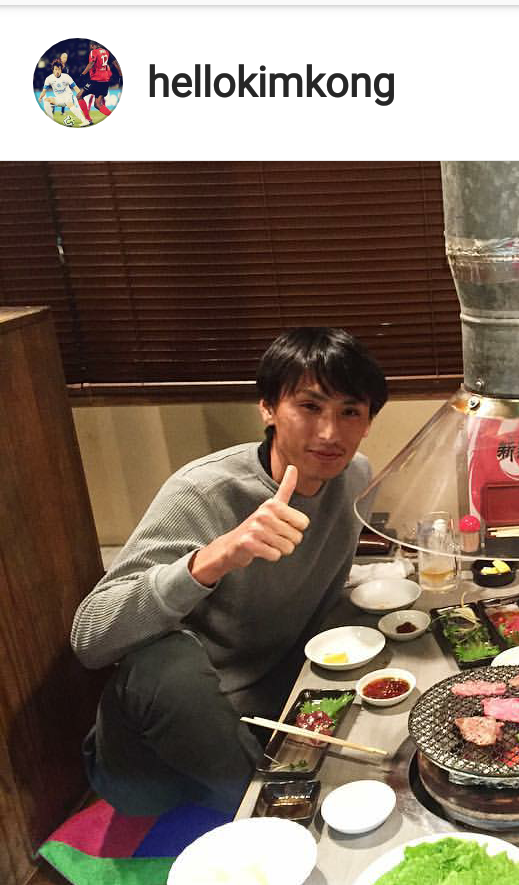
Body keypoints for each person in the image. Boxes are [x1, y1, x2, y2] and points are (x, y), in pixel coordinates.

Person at [72, 327, 388, 815]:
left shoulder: (355, 477)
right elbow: (89, 637)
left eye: (350, 411)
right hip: (152, 764)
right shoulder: (203, 491)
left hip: (265, 722)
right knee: (164, 663)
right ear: (268, 408)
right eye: (309, 407)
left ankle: (266, 800)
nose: (330, 433)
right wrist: (213, 559)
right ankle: (273, 821)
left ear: (367, 421)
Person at [40, 59, 90, 125]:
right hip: (59, 99)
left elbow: (75, 87)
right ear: (53, 70)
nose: (57, 71)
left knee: (69, 104)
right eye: (55, 69)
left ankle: (85, 121)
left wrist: (81, 95)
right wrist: (40, 97)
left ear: (61, 70)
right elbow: (44, 91)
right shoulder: (49, 78)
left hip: (68, 96)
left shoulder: (66, 77)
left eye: (59, 69)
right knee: (46, 100)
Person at [81, 43, 118, 118]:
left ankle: (87, 117)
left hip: (96, 80)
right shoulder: (106, 54)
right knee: (97, 104)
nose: (90, 47)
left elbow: (91, 63)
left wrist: (83, 74)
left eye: (90, 46)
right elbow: (114, 67)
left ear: (92, 45)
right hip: (105, 81)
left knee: (80, 96)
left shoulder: (94, 52)